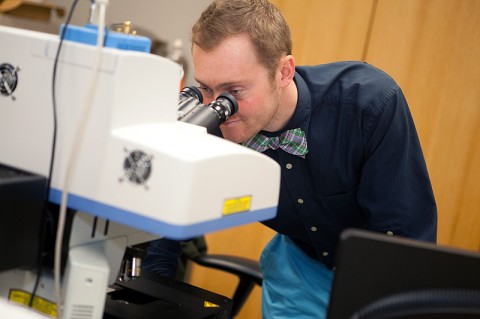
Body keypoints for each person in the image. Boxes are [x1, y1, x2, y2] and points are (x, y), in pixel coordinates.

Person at [188, 0, 437, 318]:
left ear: (283, 72)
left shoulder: (368, 104)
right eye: (205, 89)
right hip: (298, 269)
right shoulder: (214, 122)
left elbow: (404, 238)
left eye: (233, 91)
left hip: (378, 271)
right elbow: (172, 211)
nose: (217, 107)